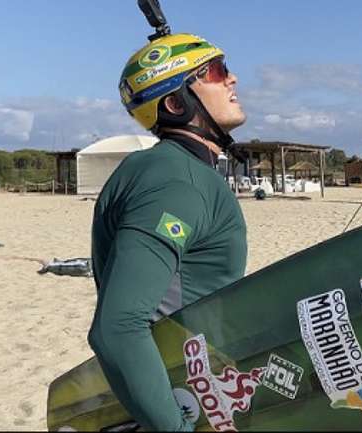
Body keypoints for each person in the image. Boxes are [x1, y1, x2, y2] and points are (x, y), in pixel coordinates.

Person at [88, 32, 248, 431]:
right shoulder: (176, 182)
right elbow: (117, 328)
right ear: (177, 103)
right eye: (215, 71)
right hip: (185, 400)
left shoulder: (173, 170)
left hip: (201, 387)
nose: (232, 79)